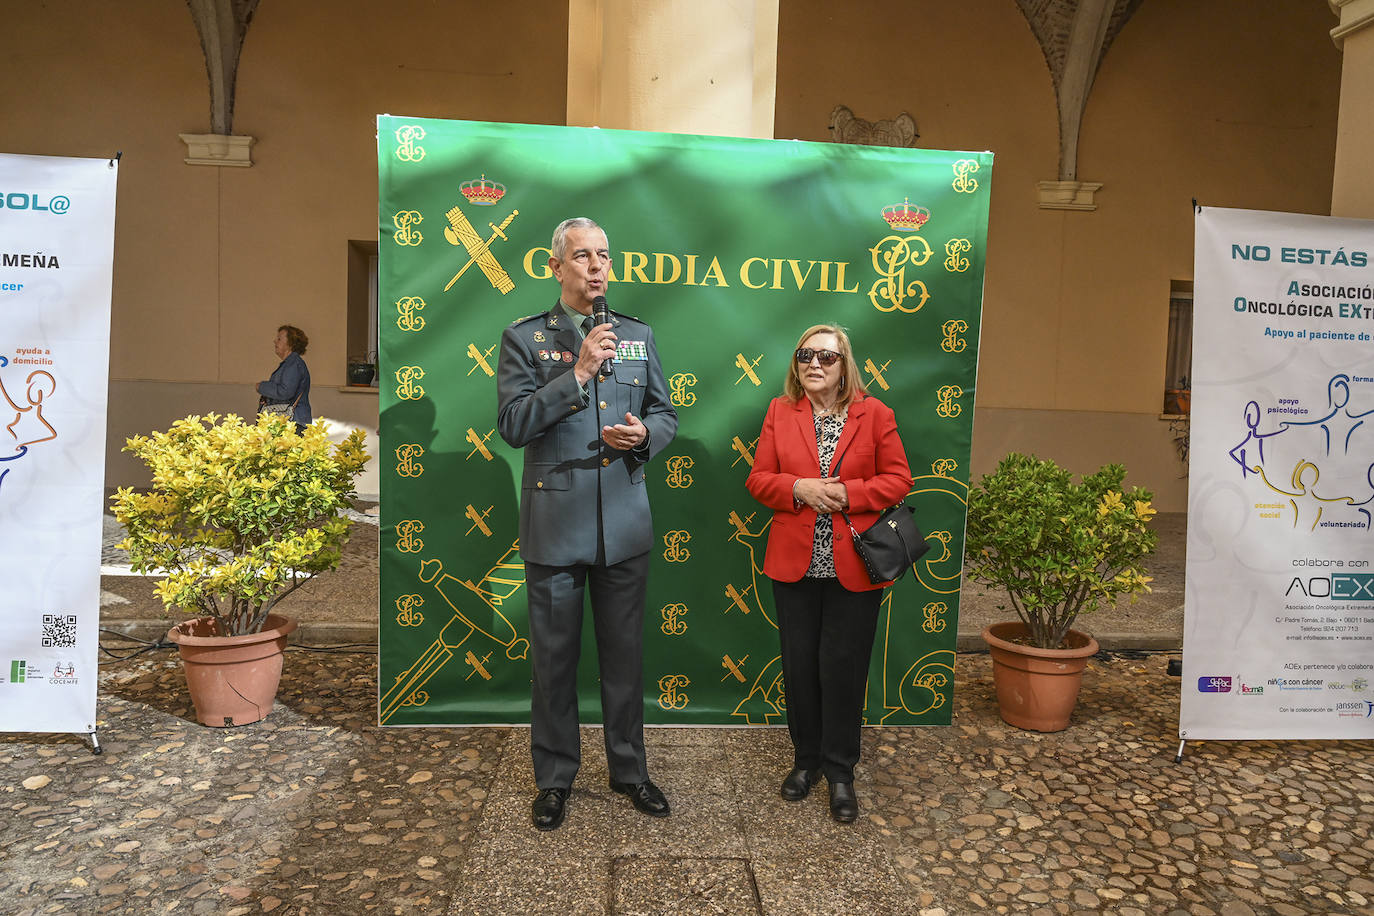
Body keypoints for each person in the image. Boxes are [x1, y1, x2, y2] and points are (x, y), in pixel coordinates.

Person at [496, 217, 679, 831]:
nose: (597, 266)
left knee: (624, 659)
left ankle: (630, 771)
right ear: (557, 267)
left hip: (624, 524)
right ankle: (553, 779)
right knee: (553, 661)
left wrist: (644, 434)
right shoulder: (525, 339)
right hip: (556, 524)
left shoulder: (637, 334)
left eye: (604, 254)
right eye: (583, 255)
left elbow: (665, 413)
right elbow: (515, 424)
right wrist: (575, 374)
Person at [745, 324, 912, 823]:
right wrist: (798, 488)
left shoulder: (875, 413)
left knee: (843, 670)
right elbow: (758, 478)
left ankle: (841, 773)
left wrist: (847, 495)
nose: (814, 363)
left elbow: (899, 478)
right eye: (805, 354)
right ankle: (806, 763)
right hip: (795, 565)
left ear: (844, 367)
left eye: (826, 356)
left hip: (855, 568)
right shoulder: (780, 412)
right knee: (799, 669)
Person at [256, 325, 312, 434]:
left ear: (290, 343)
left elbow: (285, 392)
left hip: (293, 423)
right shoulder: (291, 364)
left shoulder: (293, 364)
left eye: (279, 339)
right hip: (292, 421)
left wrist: (261, 387)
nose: (275, 341)